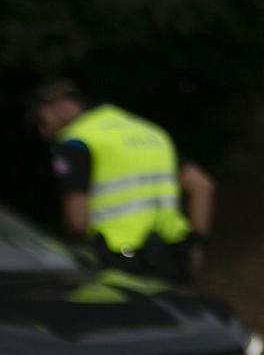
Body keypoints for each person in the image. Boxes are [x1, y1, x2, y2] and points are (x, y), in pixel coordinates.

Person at [28, 78, 216, 284]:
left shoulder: (76, 141)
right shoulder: (151, 133)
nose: (43, 133)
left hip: (118, 264)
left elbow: (77, 222)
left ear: (62, 105)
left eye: (42, 122)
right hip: (173, 259)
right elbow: (201, 185)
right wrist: (196, 248)